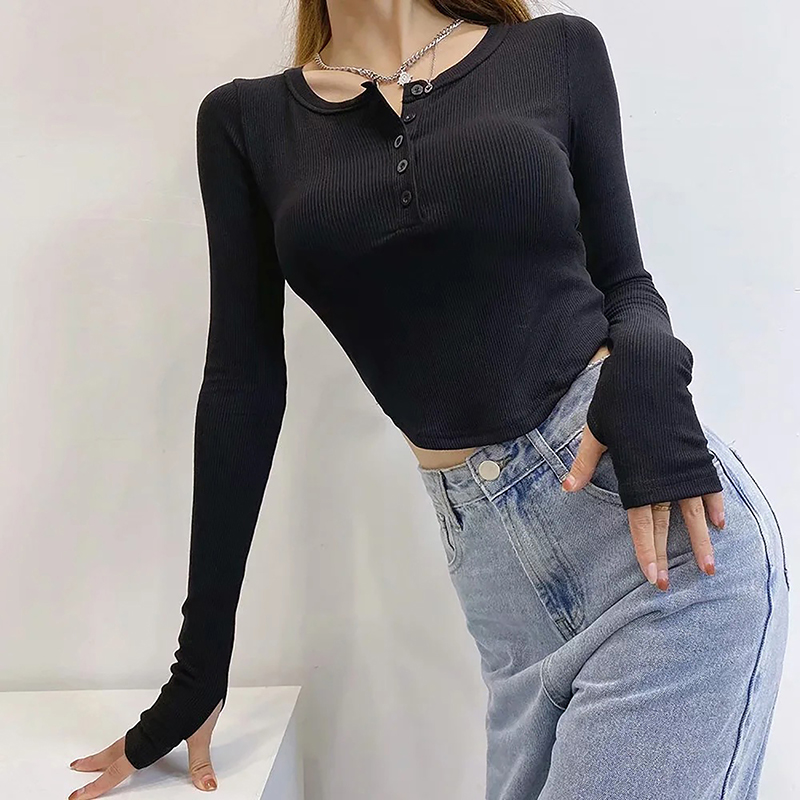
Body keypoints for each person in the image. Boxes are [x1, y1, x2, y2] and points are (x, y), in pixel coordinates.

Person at [67, 3, 791, 799]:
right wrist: (198, 670)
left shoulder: (556, 50)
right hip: (499, 594)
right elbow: (243, 381)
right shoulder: (246, 122)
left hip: (655, 534)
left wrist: (652, 368)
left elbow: (627, 283)